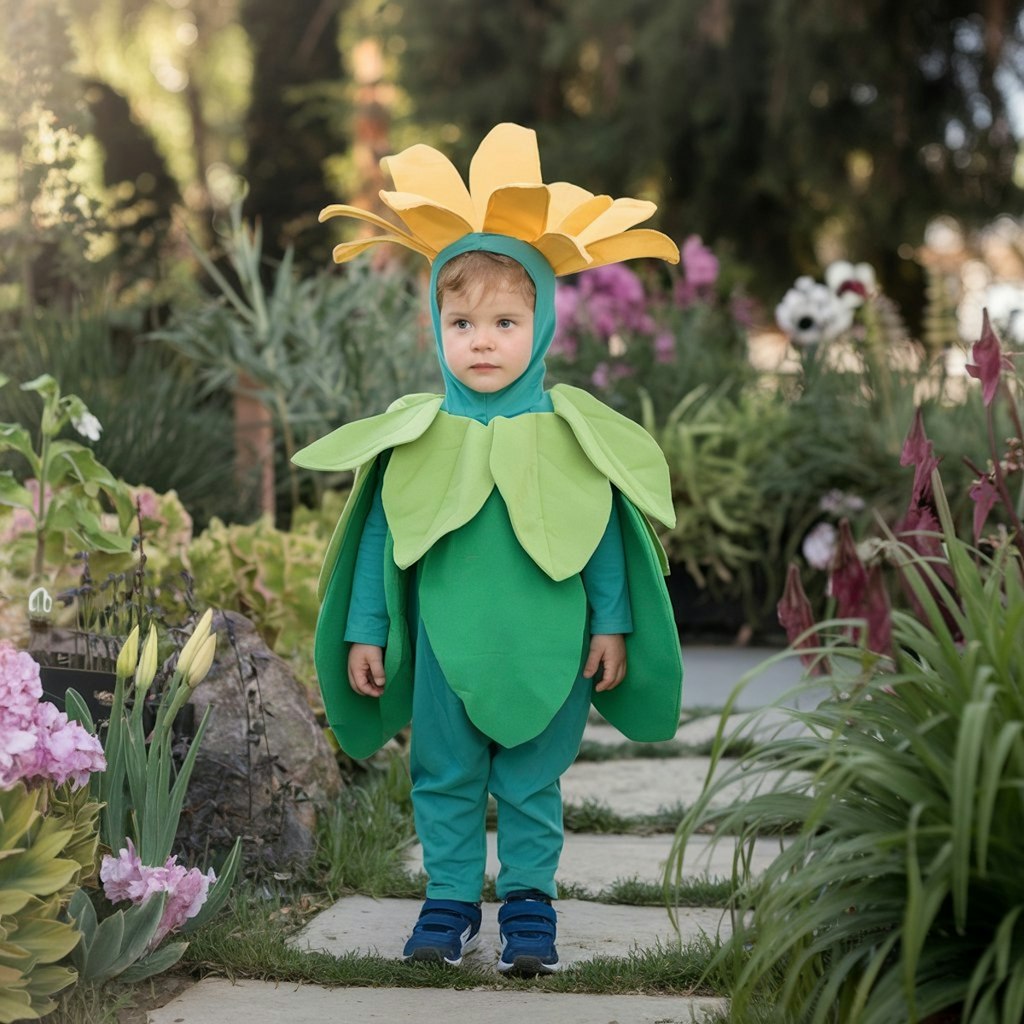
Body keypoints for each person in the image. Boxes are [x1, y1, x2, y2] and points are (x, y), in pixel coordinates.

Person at [293, 123, 684, 977]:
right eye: (462, 320)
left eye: (506, 320)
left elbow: (606, 533)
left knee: (533, 780)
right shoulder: (418, 434)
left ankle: (532, 907)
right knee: (443, 774)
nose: (482, 340)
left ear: (541, 323)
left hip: (549, 644)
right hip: (441, 647)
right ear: (437, 326)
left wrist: (611, 624)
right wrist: (369, 630)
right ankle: (449, 904)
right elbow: (382, 537)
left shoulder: (569, 429)